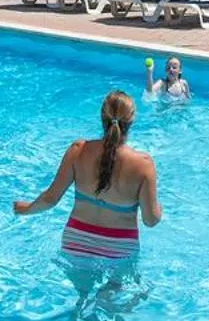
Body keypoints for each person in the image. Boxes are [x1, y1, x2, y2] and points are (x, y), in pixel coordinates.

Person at [13, 90, 162, 277]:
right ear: (131, 120)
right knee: (115, 290)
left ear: (102, 117)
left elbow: (50, 199)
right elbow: (150, 220)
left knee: (81, 291)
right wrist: (159, 210)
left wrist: (24, 209)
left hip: (76, 242)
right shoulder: (143, 165)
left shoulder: (78, 150)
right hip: (119, 249)